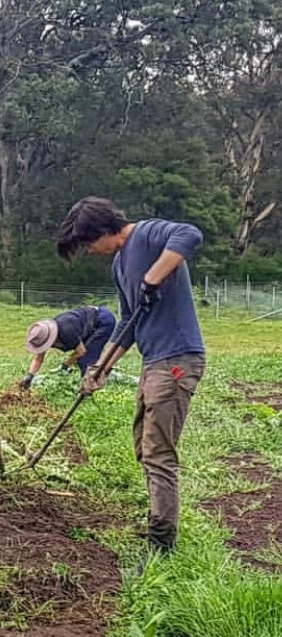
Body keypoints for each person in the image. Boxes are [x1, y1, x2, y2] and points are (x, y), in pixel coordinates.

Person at [55, 196, 206, 555]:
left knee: (158, 453)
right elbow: (128, 322)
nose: (91, 251)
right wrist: (101, 367)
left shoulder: (149, 234)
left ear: (104, 229)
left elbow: (190, 234)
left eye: (89, 243)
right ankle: (158, 519)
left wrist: (155, 276)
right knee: (144, 445)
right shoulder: (120, 263)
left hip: (177, 358)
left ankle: (161, 543)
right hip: (153, 361)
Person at [19, 305, 117, 389]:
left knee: (86, 361)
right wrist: (30, 376)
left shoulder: (67, 332)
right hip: (86, 326)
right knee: (82, 360)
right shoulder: (43, 335)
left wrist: (65, 364)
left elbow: (81, 351)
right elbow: (38, 358)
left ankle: (95, 385)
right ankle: (99, 375)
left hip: (103, 321)